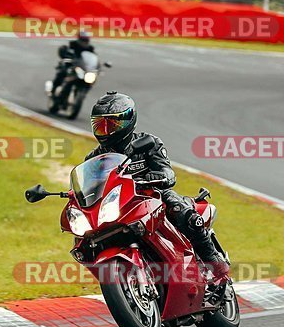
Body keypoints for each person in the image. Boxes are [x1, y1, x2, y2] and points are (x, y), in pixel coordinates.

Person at [86, 91, 231, 282]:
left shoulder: (148, 143)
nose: (106, 130)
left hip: (154, 195)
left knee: (180, 209)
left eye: (112, 124)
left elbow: (167, 171)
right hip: (122, 205)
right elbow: (88, 189)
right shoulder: (94, 159)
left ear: (128, 120)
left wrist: (160, 176)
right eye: (100, 125)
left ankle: (213, 262)